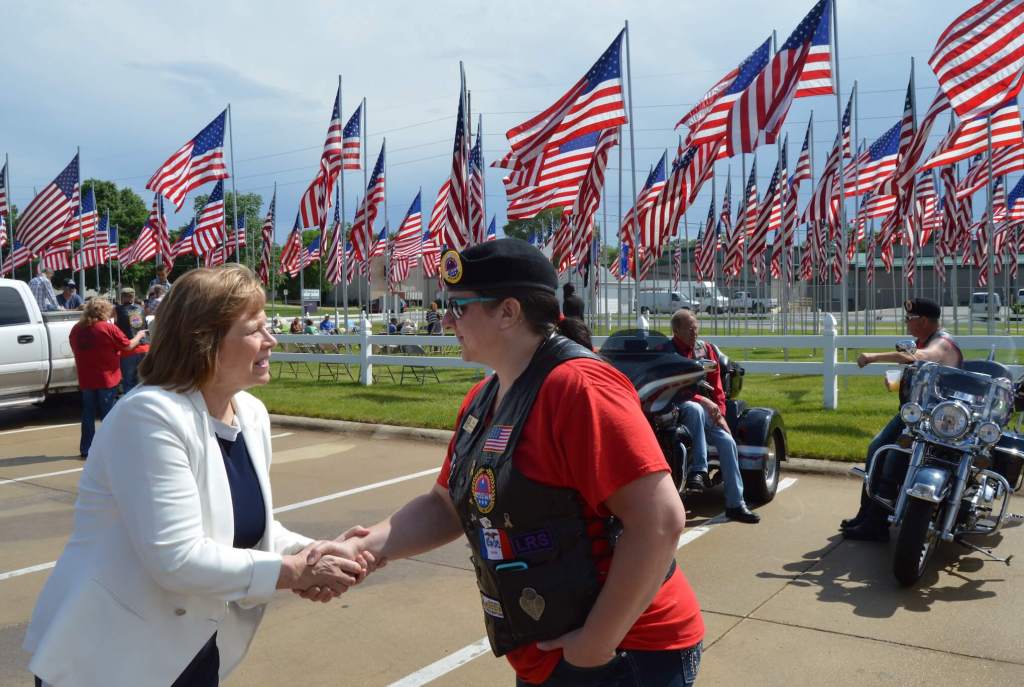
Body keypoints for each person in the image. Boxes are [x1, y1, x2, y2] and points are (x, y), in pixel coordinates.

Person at [307, 239, 704, 686]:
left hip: (625, 652)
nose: (446, 318)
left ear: (508, 312)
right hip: (549, 648)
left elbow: (660, 520)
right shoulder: (485, 397)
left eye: (458, 307)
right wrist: (363, 546)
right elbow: (445, 505)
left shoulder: (579, 388)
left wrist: (597, 639)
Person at [25, 265, 370, 687]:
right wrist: (296, 572)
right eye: (255, 329)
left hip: (188, 653)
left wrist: (315, 551)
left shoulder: (251, 413)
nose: (271, 340)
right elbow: (178, 557)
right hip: (107, 661)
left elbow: (243, 529)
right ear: (204, 341)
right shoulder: (149, 415)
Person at [841, 297, 963, 542]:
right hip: (913, 415)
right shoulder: (923, 340)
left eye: (910, 319)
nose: (906, 323)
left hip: (935, 423)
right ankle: (866, 514)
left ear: (925, 321)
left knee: (894, 458)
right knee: (876, 448)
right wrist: (899, 381)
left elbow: (921, 356)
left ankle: (877, 524)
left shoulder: (942, 343)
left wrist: (873, 357)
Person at [663, 309, 760, 524]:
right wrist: (703, 401)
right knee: (695, 409)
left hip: (708, 411)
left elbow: (717, 388)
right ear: (676, 330)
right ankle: (699, 470)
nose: (694, 333)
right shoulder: (666, 352)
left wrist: (721, 414)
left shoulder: (705, 349)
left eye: (696, 328)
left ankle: (736, 504)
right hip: (678, 408)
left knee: (727, 442)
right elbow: (671, 387)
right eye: (689, 330)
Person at [68, 298, 148, 458]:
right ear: (103, 311)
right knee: (108, 414)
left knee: (88, 414)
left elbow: (74, 346)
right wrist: (139, 335)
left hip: (86, 378)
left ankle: (86, 448)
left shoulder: (77, 329)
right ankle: (111, 447)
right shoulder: (108, 328)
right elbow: (128, 345)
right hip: (106, 377)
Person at [114, 287, 149, 393]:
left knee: (129, 382)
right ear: (133, 297)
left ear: (122, 297)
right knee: (145, 382)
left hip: (129, 349)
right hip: (145, 348)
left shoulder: (118, 309)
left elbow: (115, 326)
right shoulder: (141, 309)